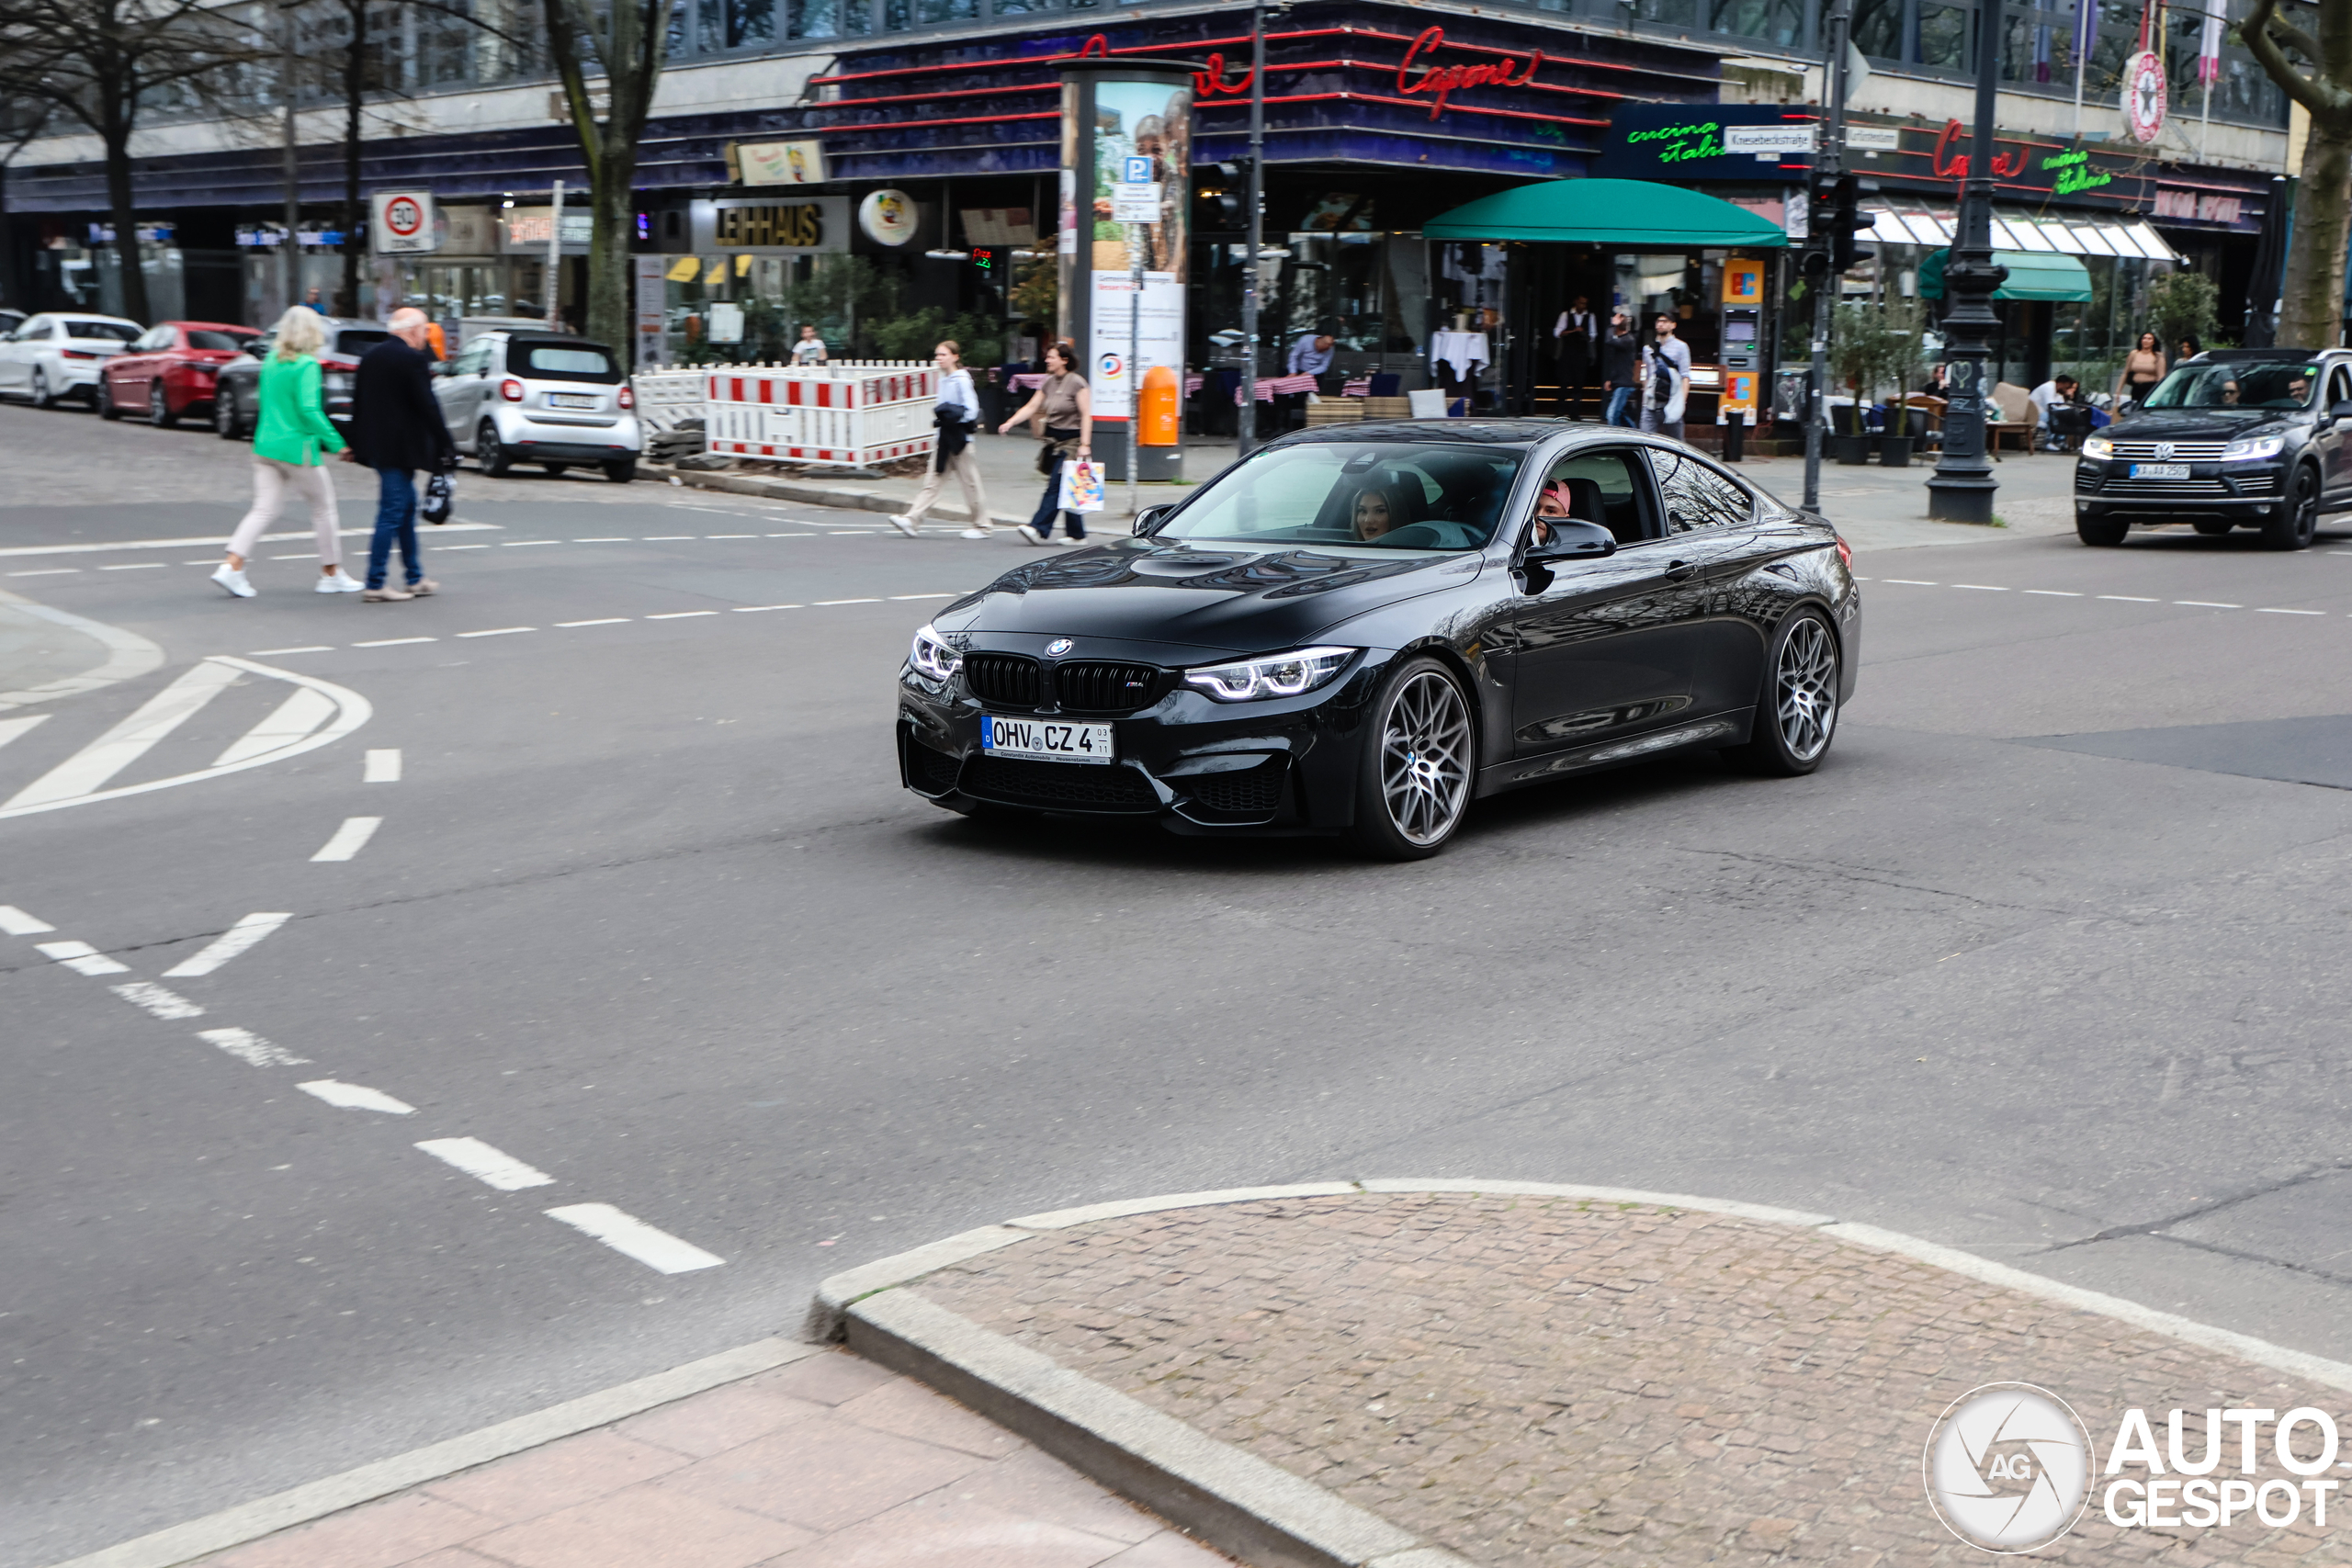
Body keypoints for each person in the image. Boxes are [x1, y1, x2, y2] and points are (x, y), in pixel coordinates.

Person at [211, 307, 354, 599]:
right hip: (295, 447)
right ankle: (331, 573)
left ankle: (232, 566)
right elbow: (309, 409)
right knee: (323, 508)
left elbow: (267, 401)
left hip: (265, 444)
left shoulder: (272, 361)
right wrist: (338, 443)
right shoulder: (307, 365)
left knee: (263, 509)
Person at [345, 306, 455, 602]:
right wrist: (446, 443)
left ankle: (414, 577)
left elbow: (358, 404)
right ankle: (376, 581)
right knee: (393, 510)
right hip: (401, 448)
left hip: (377, 447)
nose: (424, 339)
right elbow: (427, 405)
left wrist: (355, 442)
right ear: (414, 331)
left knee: (405, 508)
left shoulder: (370, 357)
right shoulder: (412, 359)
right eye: (423, 332)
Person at [890, 341, 989, 538]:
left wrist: (954, 420)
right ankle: (912, 519)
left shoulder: (961, 379)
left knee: (970, 483)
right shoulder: (943, 379)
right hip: (944, 437)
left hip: (960, 438)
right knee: (933, 480)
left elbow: (971, 409)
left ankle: (983, 526)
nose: (939, 358)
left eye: (943, 355)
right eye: (937, 355)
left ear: (955, 356)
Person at [999, 338, 1092, 545]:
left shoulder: (1077, 382)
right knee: (1068, 488)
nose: (1047, 360)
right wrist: (1010, 422)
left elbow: (1086, 414)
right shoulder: (1048, 382)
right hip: (1054, 441)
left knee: (1056, 486)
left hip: (1073, 443)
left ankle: (1038, 527)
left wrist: (1085, 444)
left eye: (1051, 357)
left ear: (1064, 360)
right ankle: (1077, 535)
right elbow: (1032, 407)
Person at [1640, 312, 1690, 440]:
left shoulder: (1681, 347)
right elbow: (1648, 374)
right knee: (1645, 440)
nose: (1661, 324)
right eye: (1658, 321)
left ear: (1673, 325)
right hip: (1651, 402)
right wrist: (1644, 399)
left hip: (1671, 401)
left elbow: (1685, 376)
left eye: (1665, 321)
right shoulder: (1648, 348)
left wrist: (1682, 403)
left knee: (1676, 443)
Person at [1283, 328, 1337, 431]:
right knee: (1297, 399)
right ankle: (1295, 426)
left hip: (1315, 373)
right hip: (1299, 370)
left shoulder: (1329, 348)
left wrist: (1308, 373)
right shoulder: (1305, 340)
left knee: (1313, 399)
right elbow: (1294, 356)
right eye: (1322, 349)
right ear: (1318, 342)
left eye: (1326, 349)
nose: (1324, 351)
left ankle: (1312, 424)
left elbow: (1324, 366)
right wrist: (1293, 371)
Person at [1554, 297, 1595, 414]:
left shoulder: (1590, 316)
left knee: (1579, 383)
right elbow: (1557, 333)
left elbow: (1593, 336)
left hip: (1581, 354)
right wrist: (1573, 331)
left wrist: (1582, 332)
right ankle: (1560, 411)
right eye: (1581, 303)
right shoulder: (1565, 315)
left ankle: (1575, 412)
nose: (1583, 306)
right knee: (1564, 381)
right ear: (1575, 302)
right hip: (1567, 353)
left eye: (1585, 304)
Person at [1600, 310, 1638, 428]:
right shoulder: (1621, 341)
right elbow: (1617, 364)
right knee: (1621, 414)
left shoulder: (1628, 340)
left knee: (1612, 414)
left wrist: (1612, 325)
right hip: (1618, 382)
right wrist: (1610, 380)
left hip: (1624, 384)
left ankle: (1616, 437)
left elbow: (1609, 340)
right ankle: (1635, 434)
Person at [2119, 331, 2166, 408]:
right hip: (2136, 388)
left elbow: (2161, 377)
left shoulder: (2158, 356)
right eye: (2144, 338)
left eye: (2149, 339)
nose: (2146, 340)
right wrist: (2119, 390)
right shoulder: (2134, 354)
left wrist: (2159, 394)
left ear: (2153, 342)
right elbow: (2125, 373)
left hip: (2150, 388)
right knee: (2135, 409)